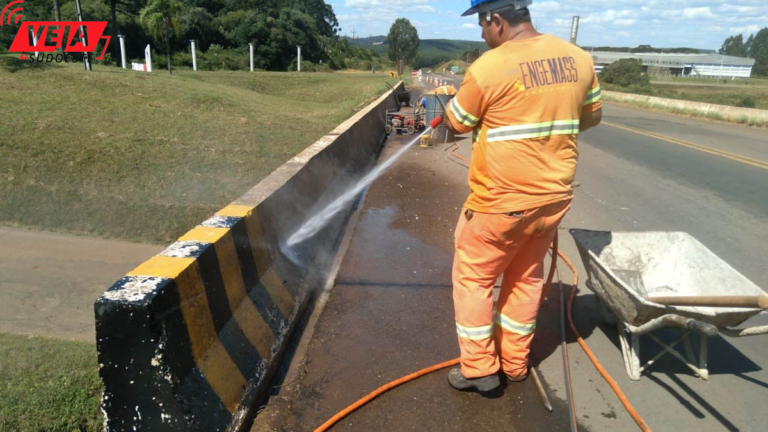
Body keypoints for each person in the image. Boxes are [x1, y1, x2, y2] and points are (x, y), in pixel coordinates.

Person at [437, 0, 603, 392]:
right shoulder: (578, 59)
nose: (481, 34)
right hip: (552, 202)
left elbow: (457, 123)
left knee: (474, 279)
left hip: (499, 205)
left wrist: (450, 113)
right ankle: (514, 363)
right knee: (526, 278)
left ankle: (479, 370)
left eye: (481, 24)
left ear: (496, 19)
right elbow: (590, 117)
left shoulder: (489, 67)